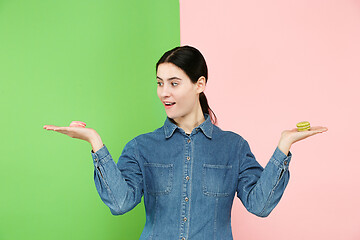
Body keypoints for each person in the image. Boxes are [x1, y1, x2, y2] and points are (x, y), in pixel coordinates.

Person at [43, 45, 328, 239]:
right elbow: (120, 203)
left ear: (199, 84)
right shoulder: (141, 147)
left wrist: (283, 146)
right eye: (159, 82)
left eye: (174, 83)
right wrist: (95, 142)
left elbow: (260, 206)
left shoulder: (233, 147)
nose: (163, 92)